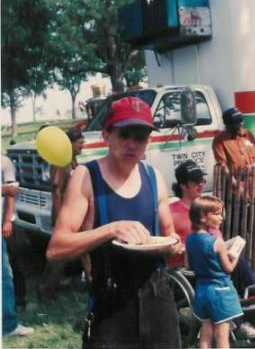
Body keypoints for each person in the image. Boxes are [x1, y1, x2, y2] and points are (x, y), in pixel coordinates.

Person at [46, 96, 183, 349]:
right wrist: (110, 229)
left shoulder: (154, 177)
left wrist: (175, 245)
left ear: (148, 141)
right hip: (112, 301)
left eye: (140, 136)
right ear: (106, 135)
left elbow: (170, 235)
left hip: (158, 296)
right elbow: (56, 248)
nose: (132, 143)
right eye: (124, 134)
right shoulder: (86, 177)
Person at [168, 159, 255, 339]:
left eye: (202, 180)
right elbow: (167, 241)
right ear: (183, 185)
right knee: (237, 266)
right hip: (190, 266)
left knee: (239, 261)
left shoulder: (208, 208)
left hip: (212, 260)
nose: (200, 184)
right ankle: (245, 319)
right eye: (195, 181)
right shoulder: (171, 211)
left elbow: (217, 238)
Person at [186, 195, 243, 349]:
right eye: (217, 214)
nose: (221, 218)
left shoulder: (189, 239)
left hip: (202, 291)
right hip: (220, 291)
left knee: (206, 330)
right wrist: (236, 254)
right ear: (203, 217)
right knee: (222, 334)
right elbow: (229, 268)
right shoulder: (216, 242)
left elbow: (189, 266)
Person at [38, 129, 85, 298]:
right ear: (70, 144)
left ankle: (70, 280)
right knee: (60, 253)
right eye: (80, 142)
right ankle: (46, 289)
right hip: (62, 214)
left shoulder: (72, 160)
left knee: (72, 250)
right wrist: (60, 218)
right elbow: (56, 191)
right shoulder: (61, 162)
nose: (83, 145)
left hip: (72, 212)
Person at [2, 154, 34, 337]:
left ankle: (9, 322)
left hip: (2, 225)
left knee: (7, 273)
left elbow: (12, 192)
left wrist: (7, 220)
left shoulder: (4, 162)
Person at [212, 107, 255, 192]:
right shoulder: (219, 140)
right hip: (234, 188)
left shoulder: (247, 134)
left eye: (241, 121)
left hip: (254, 185)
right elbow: (223, 166)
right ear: (228, 124)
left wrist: (254, 165)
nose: (241, 124)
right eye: (238, 122)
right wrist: (236, 185)